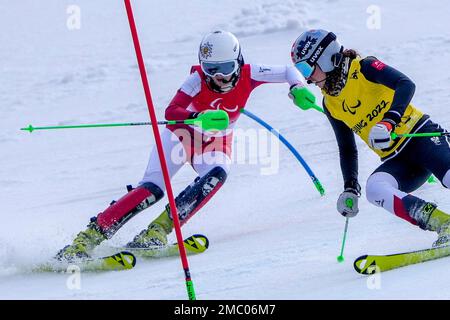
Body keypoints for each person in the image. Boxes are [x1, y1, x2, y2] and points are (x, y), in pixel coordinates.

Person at [56, 30, 313, 261]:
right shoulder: (196, 80)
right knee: (153, 189)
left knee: (217, 175)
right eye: (211, 69)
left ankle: (159, 229)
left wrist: (298, 87)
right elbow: (171, 110)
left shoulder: (250, 73)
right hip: (180, 135)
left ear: (238, 62)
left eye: (225, 68)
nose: (219, 77)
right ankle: (90, 236)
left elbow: (287, 71)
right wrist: (195, 117)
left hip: (215, 142)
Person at [289, 29, 450, 247]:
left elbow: (405, 84)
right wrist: (350, 187)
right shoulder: (330, 103)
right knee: (375, 189)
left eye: (307, 68)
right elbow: (347, 148)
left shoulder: (364, 67)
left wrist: (388, 121)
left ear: (325, 57)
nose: (307, 78)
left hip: (421, 137)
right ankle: (443, 224)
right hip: (400, 161)